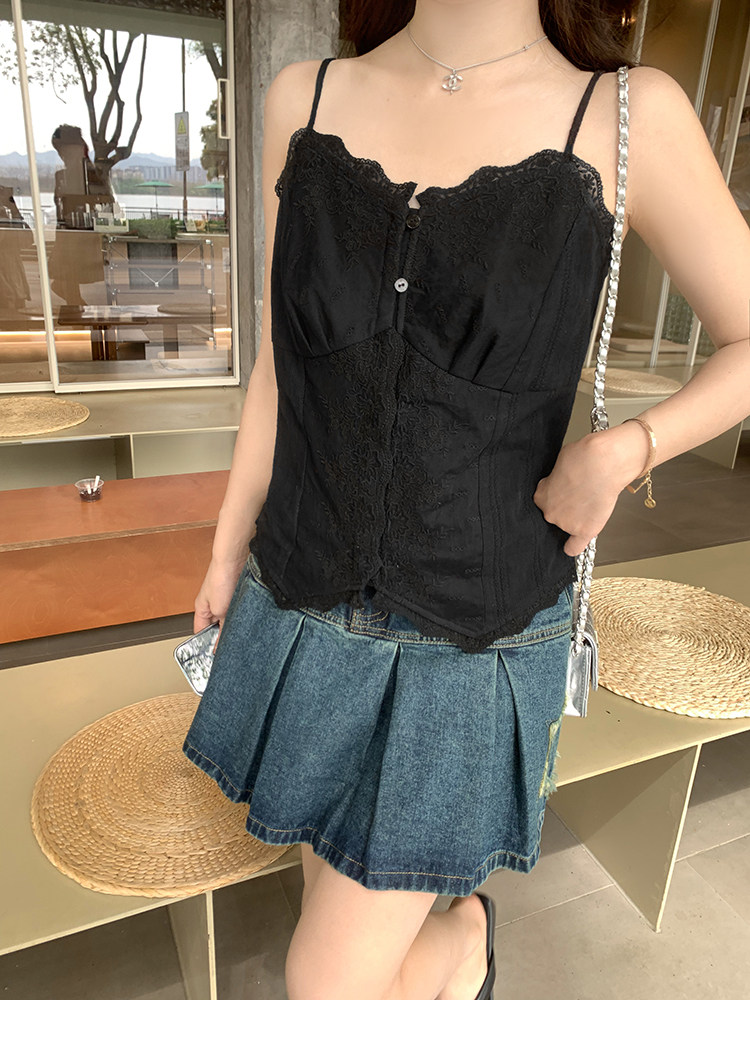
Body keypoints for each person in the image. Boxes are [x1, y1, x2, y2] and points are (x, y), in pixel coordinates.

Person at [182, 0, 750, 1000]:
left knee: (328, 987)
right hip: (296, 600)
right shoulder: (303, 96)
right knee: (337, 901)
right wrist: (227, 549)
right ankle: (456, 949)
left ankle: (464, 939)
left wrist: (629, 448)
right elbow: (281, 361)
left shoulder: (626, 114)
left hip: (469, 638)